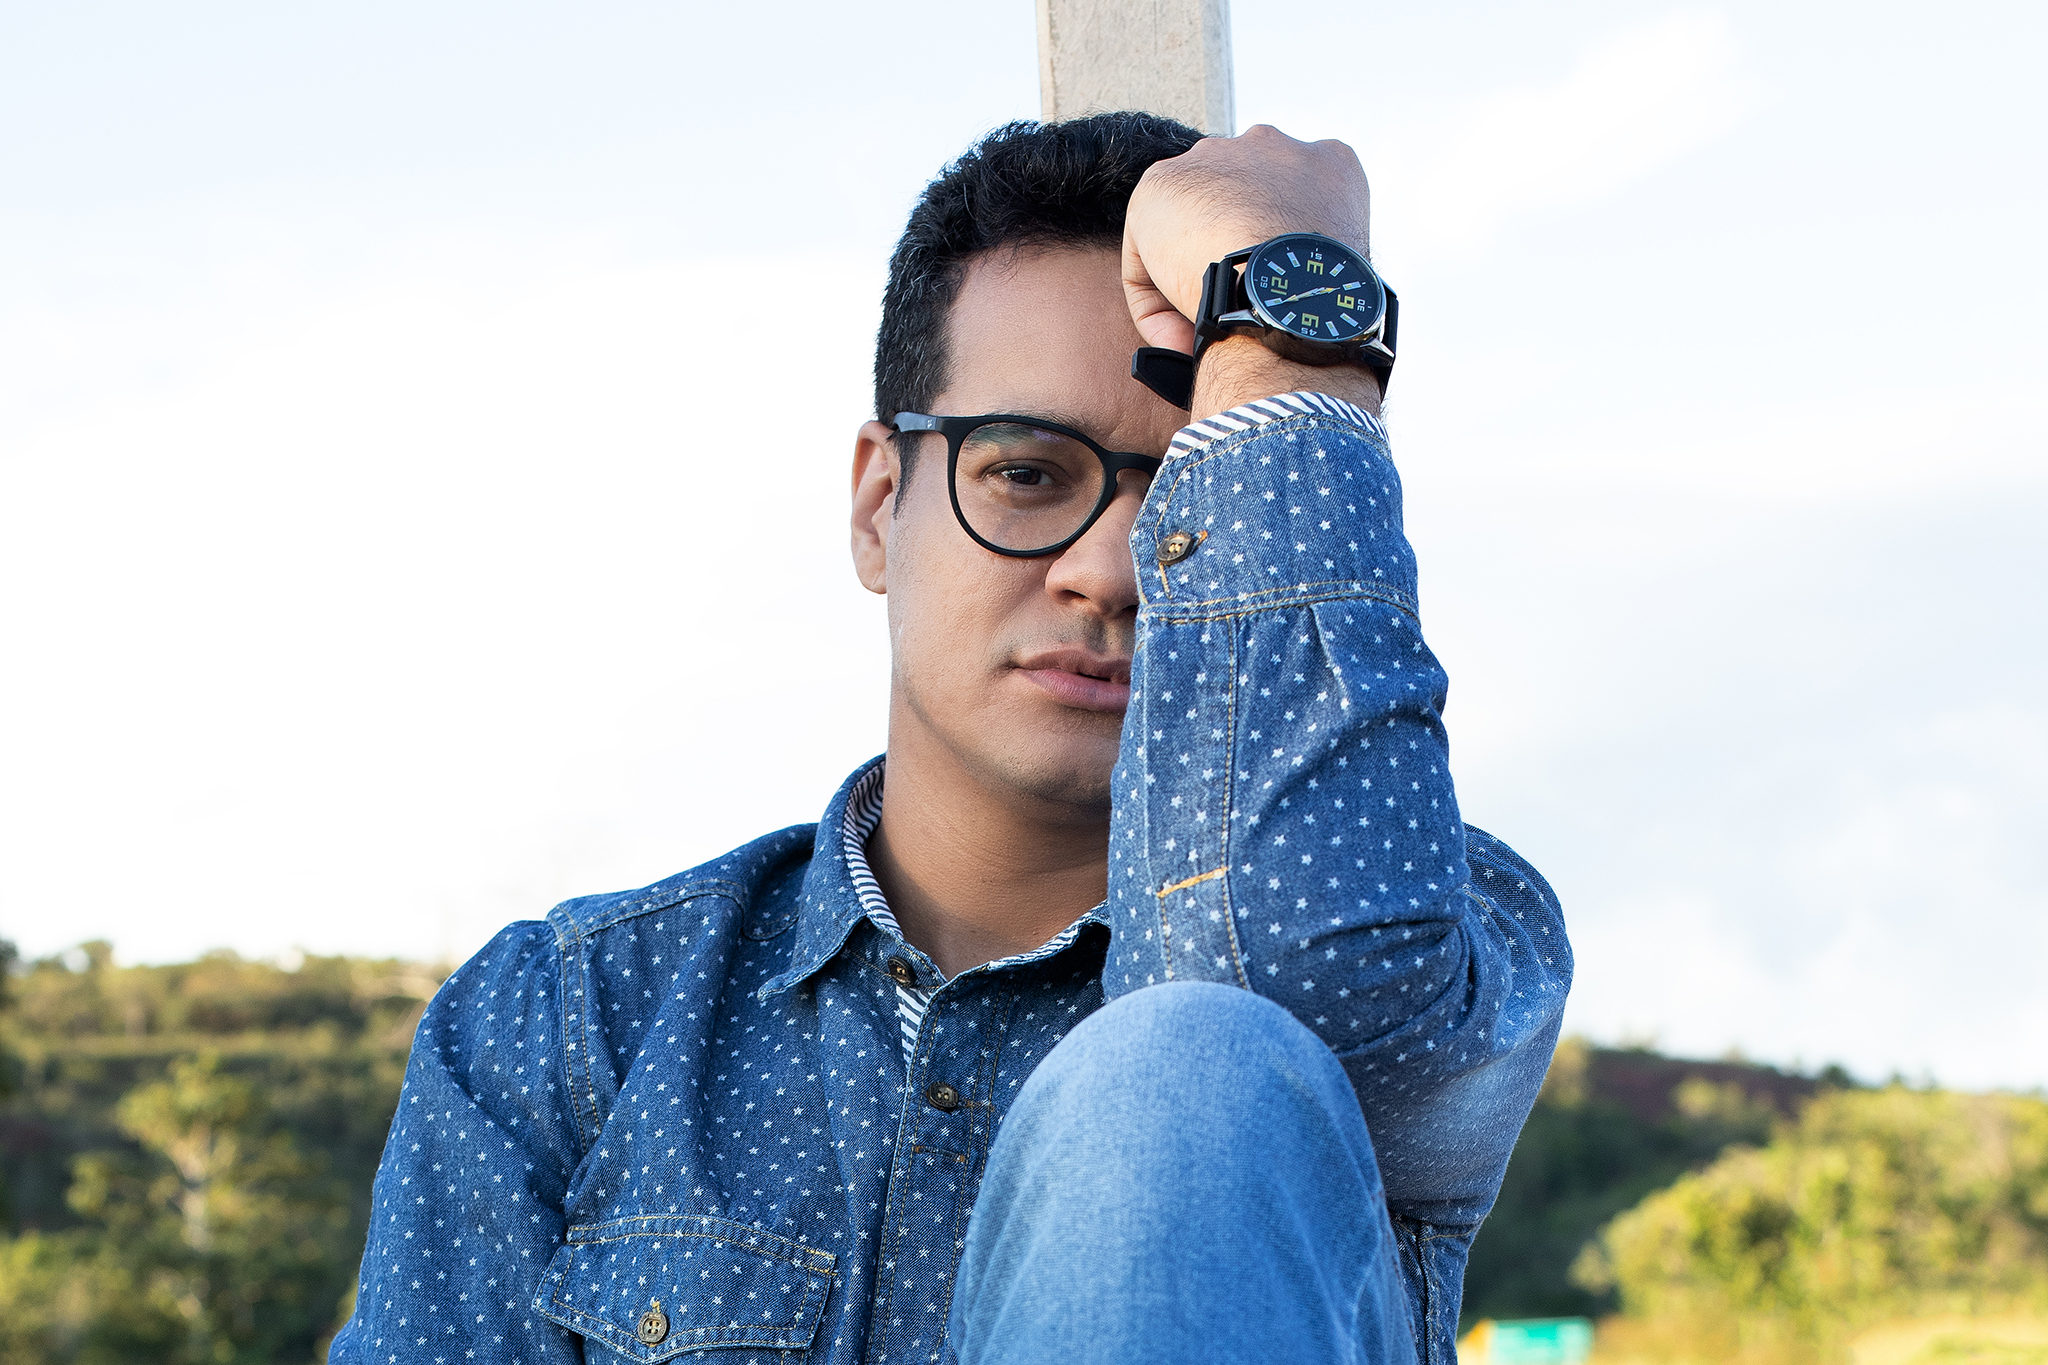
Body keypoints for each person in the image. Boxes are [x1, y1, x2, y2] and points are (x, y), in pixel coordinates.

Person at [330, 112, 1570, 1365]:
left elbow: (1289, 1008)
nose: (1109, 573)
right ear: (880, 507)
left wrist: (1293, 344)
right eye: (1025, 473)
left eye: (1190, 497)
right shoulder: (568, 1022)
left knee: (1186, 1063)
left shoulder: (1436, 941)